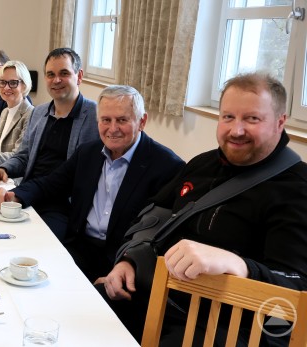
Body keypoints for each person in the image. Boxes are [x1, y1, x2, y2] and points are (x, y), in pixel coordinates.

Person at [100, 72, 307, 345]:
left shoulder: (297, 189)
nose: (237, 130)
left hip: (229, 325)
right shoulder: (202, 164)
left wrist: (238, 265)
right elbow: (155, 215)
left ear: (280, 123)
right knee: (85, 308)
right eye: (228, 117)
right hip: (162, 295)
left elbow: (295, 289)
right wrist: (130, 260)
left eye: (252, 118)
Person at [0, 85, 184, 281]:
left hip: (123, 261)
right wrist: (15, 195)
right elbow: (52, 183)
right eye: (106, 120)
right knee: (19, 270)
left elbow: (161, 234)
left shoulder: (167, 166)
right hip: (79, 248)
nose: (113, 129)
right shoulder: (88, 152)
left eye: (122, 120)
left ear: (142, 121)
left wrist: (128, 264)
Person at [0, 48, 99, 238]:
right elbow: (24, 155)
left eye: (64, 73)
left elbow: (81, 175)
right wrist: (5, 169)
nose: (56, 80)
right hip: (29, 192)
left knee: (31, 242)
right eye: (50, 75)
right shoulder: (39, 113)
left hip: (61, 204)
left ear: (79, 76)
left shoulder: (95, 116)